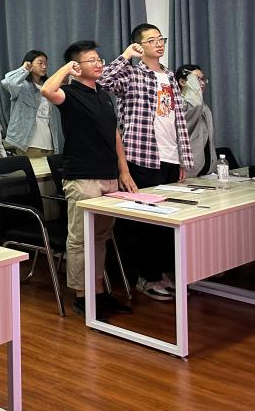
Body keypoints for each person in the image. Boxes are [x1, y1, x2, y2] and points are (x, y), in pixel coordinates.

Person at [41, 40, 137, 316]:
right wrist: (66, 69)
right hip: (82, 177)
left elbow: (114, 134)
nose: (98, 64)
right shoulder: (69, 94)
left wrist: (123, 170)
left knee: (101, 237)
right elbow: (47, 90)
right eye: (91, 60)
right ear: (76, 66)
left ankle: (99, 292)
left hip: (108, 175)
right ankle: (83, 296)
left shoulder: (104, 95)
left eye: (99, 59)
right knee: (81, 238)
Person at [99, 23, 193, 301]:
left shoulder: (169, 75)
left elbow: (176, 119)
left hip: (170, 156)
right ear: (139, 46)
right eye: (151, 40)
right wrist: (126, 55)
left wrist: (182, 159)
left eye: (161, 38)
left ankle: (163, 273)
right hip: (141, 156)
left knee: (169, 221)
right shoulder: (132, 73)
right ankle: (146, 277)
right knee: (147, 223)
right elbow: (103, 81)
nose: (159, 43)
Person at [2, 51, 63, 158]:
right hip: (28, 144)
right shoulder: (21, 85)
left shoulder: (47, 87)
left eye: (45, 63)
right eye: (40, 63)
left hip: (49, 144)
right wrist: (24, 69)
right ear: (29, 63)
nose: (44, 66)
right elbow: (8, 82)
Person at [175, 64, 215, 177]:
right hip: (187, 170)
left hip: (207, 170)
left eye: (203, 79)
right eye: (197, 79)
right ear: (182, 82)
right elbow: (195, 104)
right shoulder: (180, 104)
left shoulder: (204, 106)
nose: (202, 83)